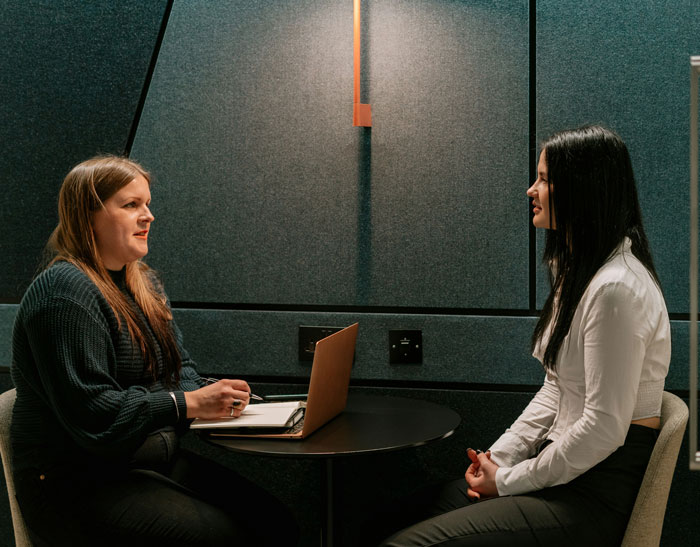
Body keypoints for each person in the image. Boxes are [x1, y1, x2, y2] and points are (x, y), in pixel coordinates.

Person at [372, 125, 671, 546]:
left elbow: (604, 428)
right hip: (564, 473)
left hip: (591, 497)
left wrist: (510, 481)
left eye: (545, 180)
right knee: (383, 521)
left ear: (583, 191)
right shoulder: (581, 276)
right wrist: (499, 459)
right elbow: (557, 389)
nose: (532, 190)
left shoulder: (616, 290)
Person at [10, 156, 299, 546]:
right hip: (75, 484)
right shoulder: (64, 292)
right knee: (229, 538)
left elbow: (180, 373)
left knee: (276, 522)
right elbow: (96, 416)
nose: (148, 216)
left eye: (147, 204)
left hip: (140, 465)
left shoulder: (142, 284)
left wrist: (221, 396)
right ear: (87, 216)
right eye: (131, 205)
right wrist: (186, 403)